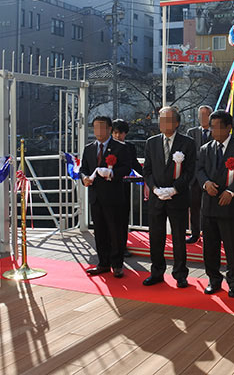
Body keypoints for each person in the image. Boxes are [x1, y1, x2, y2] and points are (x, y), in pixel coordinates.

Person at [196, 110, 234, 298]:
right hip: (210, 205)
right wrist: (205, 183)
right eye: (212, 127)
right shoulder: (205, 148)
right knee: (210, 247)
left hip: (231, 206)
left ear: (229, 127)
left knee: (233, 248)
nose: (215, 131)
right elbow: (199, 169)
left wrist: (231, 191)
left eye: (219, 127)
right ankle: (214, 279)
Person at [142, 106, 196, 288]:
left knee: (179, 237)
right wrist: (155, 189)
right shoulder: (151, 142)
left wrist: (174, 189)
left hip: (177, 197)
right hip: (157, 198)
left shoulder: (187, 143)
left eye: (167, 119)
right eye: (160, 119)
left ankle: (180, 274)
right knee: (156, 236)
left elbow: (190, 172)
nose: (162, 123)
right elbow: (147, 170)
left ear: (176, 123)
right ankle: (156, 272)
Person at [80, 116, 131, 278]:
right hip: (95, 196)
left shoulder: (120, 147)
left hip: (114, 196)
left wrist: (112, 173)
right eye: (95, 128)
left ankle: (117, 264)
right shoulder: (89, 148)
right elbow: (83, 168)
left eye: (102, 127)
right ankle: (103, 263)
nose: (98, 131)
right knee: (100, 231)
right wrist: (84, 178)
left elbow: (126, 168)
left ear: (109, 129)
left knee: (115, 231)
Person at [112, 119, 144, 258]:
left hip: (124, 187)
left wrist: (145, 175)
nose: (118, 136)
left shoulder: (130, 147)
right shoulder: (107, 146)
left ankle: (122, 246)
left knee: (123, 217)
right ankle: (110, 246)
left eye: (122, 133)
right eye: (116, 133)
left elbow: (135, 164)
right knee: (109, 218)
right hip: (109, 187)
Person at [185, 105, 212, 244]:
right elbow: (189, 152)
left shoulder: (216, 132)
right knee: (194, 206)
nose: (202, 118)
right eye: (200, 115)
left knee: (209, 207)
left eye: (205, 115)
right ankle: (195, 234)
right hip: (194, 177)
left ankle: (210, 234)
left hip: (211, 176)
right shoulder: (192, 132)